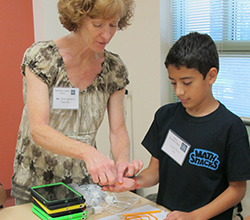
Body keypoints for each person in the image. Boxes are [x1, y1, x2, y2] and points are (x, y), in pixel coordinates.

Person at [102, 32, 250, 219]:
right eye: (173, 83)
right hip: (167, 215)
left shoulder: (231, 127)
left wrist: (195, 216)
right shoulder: (165, 116)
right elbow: (155, 171)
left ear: (211, 76)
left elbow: (237, 190)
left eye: (187, 82)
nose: (179, 91)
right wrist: (133, 183)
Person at [11, 0, 143, 205]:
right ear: (78, 17)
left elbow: (118, 130)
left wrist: (122, 164)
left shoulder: (114, 69)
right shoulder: (43, 58)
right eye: (98, 25)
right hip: (36, 180)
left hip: (83, 183)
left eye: (113, 25)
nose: (106, 35)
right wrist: (88, 152)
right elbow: (38, 129)